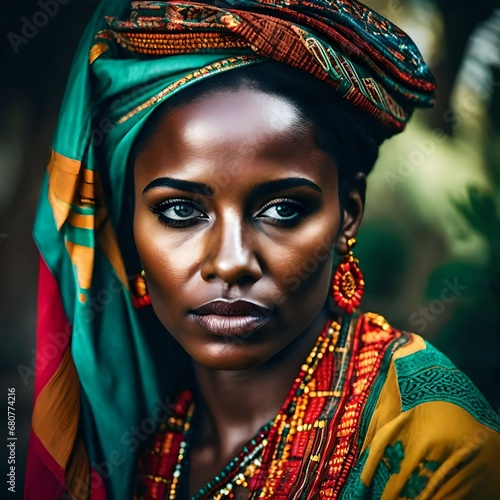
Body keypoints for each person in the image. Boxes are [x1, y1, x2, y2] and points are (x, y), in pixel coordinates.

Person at [26, 0, 500, 499]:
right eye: (181, 212)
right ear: (129, 230)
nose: (231, 262)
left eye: (281, 211)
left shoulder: (438, 447)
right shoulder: (139, 441)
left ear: (348, 215)